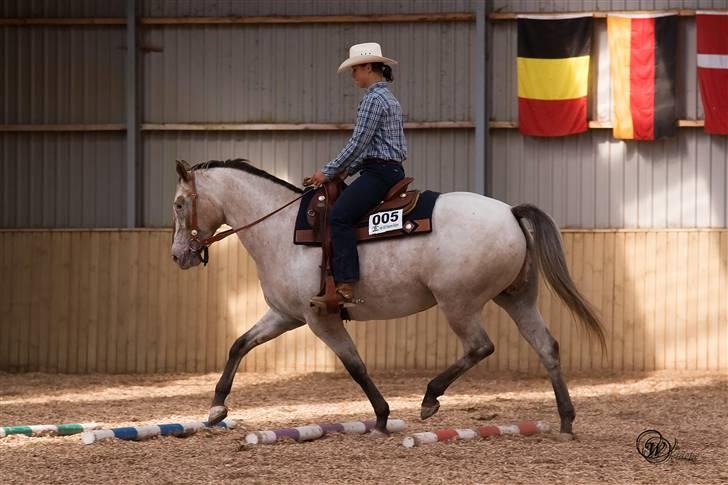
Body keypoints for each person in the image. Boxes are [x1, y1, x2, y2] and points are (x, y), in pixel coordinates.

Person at [308, 42, 407, 307]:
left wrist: (327, 171)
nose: (353, 76)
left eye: (355, 70)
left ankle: (346, 285)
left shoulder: (373, 100)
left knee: (339, 216)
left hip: (380, 172)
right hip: (388, 169)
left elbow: (358, 143)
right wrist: (345, 171)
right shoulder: (389, 98)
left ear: (367, 67)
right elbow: (368, 148)